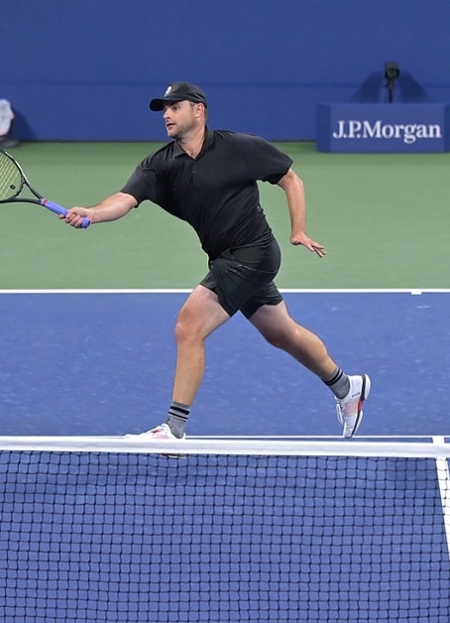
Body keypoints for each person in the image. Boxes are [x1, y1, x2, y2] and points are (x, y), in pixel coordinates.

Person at [61, 81, 370, 439]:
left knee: (188, 327)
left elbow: (290, 177)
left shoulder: (237, 148)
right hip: (224, 258)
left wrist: (298, 229)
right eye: (164, 108)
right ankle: (347, 388)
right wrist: (93, 213)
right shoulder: (160, 165)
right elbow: (125, 198)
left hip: (254, 252)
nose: (166, 114)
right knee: (282, 333)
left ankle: (174, 429)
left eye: (175, 106)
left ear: (198, 110)